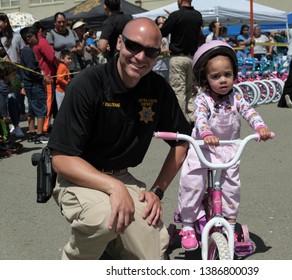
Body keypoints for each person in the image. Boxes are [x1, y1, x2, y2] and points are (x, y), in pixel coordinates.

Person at [48, 17, 191, 260]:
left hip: (122, 176)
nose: (140, 57)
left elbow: (182, 141)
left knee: (153, 255)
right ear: (119, 43)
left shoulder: (157, 88)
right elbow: (61, 159)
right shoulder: (87, 84)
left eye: (151, 51)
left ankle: (111, 246)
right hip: (79, 176)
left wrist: (157, 190)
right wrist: (114, 187)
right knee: (103, 218)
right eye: (133, 46)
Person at [177, 40, 271, 251]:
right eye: (215, 76)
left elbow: (250, 112)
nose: (223, 80)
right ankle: (188, 223)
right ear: (204, 78)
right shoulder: (203, 100)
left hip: (229, 149)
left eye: (227, 75)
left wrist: (261, 127)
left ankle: (229, 222)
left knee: (231, 187)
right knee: (192, 183)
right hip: (203, 147)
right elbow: (200, 118)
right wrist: (206, 132)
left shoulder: (236, 96)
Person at [160, 0, 203, 125]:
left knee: (178, 90)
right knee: (189, 89)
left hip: (178, 57)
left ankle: (180, 120)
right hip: (192, 58)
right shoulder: (197, 15)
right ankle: (191, 117)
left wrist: (165, 21)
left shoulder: (176, 15)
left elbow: (163, 32)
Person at [19, 27, 51, 144]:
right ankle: (39, 134)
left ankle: (32, 132)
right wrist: (43, 77)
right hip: (34, 84)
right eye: (35, 36)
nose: (38, 38)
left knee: (32, 108)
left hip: (30, 84)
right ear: (28, 38)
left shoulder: (26, 51)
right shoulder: (28, 51)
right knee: (40, 108)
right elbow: (31, 70)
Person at [0, 12, 27, 131]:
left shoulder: (17, 36)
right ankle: (5, 128)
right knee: (2, 102)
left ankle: (16, 125)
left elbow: (23, 54)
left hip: (14, 75)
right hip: (1, 76)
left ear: (5, 22)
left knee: (12, 99)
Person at [32, 21, 58, 134]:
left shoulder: (30, 43)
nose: (46, 34)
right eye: (45, 32)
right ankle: (44, 128)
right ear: (40, 30)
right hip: (47, 75)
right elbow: (51, 57)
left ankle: (39, 128)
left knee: (38, 103)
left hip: (37, 75)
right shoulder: (41, 41)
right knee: (48, 102)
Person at [153, 16, 170, 81]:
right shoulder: (155, 36)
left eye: (163, 23)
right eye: (159, 23)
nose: (162, 26)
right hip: (156, 66)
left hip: (167, 67)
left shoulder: (169, 35)